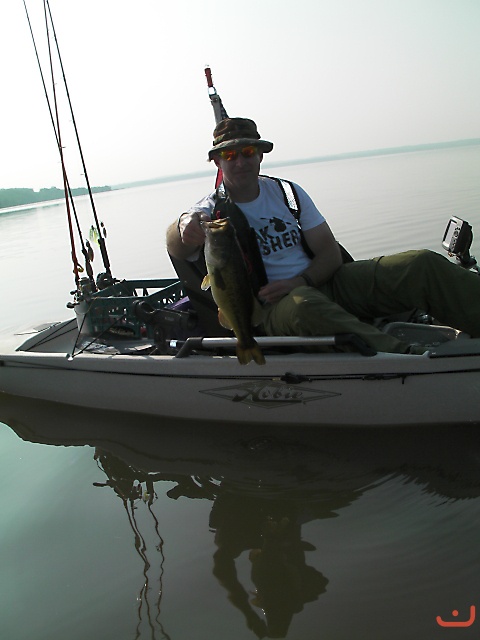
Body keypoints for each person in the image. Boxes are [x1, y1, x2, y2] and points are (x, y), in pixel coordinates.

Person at [166, 117, 480, 354]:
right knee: (306, 305)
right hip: (272, 309)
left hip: (318, 284)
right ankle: (409, 359)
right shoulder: (210, 213)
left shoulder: (288, 193)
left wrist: (300, 281)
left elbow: (329, 253)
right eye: (230, 155)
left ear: (260, 155)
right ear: (218, 161)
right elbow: (178, 245)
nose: (241, 161)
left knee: (420, 263)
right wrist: (183, 224)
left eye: (248, 151)